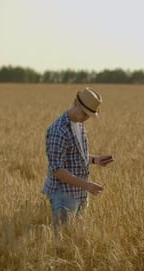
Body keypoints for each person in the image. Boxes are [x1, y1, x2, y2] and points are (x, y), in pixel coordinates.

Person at [42, 87, 114, 229]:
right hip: (63, 195)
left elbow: (74, 156)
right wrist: (87, 186)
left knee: (75, 236)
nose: (86, 118)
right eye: (84, 113)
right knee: (61, 240)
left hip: (79, 193)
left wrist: (94, 160)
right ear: (75, 103)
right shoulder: (58, 130)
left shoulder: (78, 124)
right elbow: (57, 170)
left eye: (89, 115)